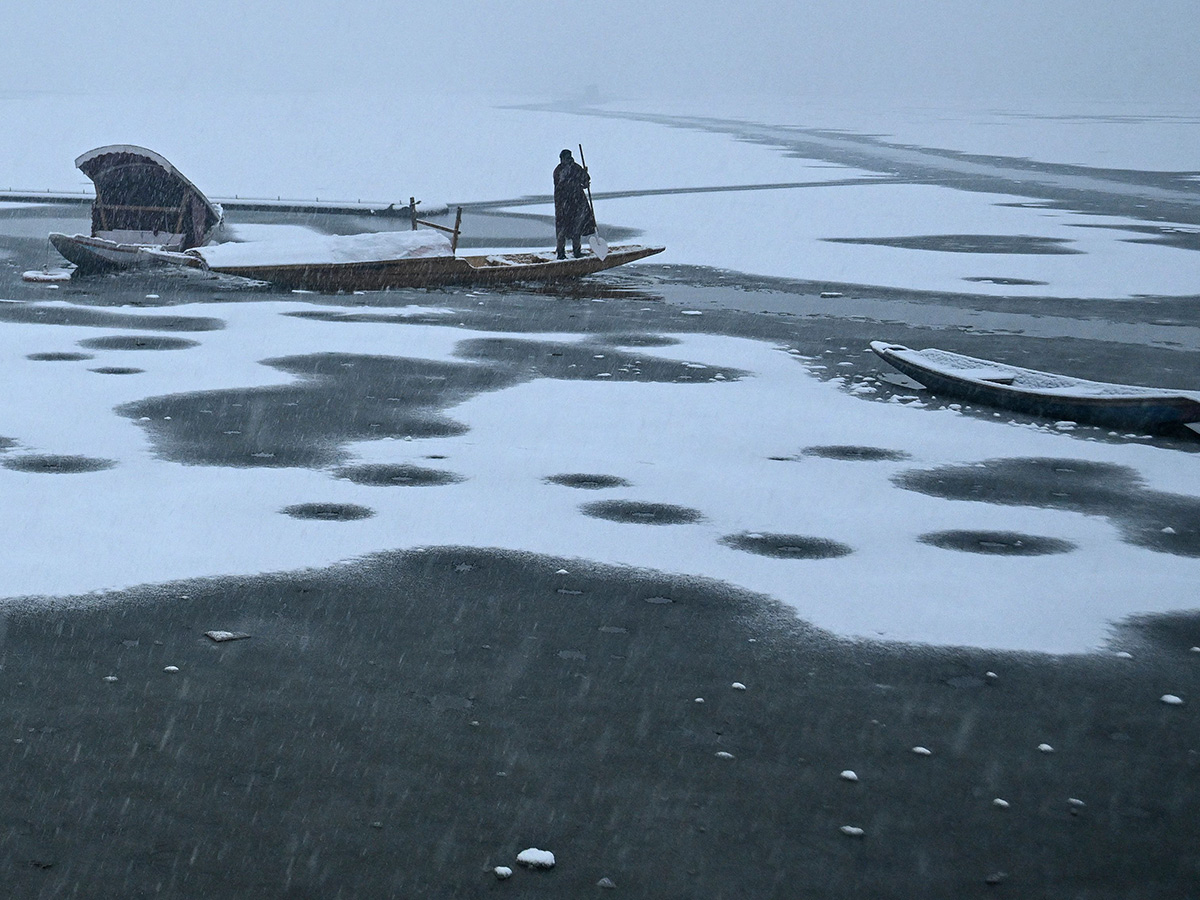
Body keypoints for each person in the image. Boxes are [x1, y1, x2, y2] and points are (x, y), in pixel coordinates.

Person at [553, 149, 595, 259]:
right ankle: (575, 252)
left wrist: (584, 175)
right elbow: (585, 183)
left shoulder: (558, 170)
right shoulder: (574, 168)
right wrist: (584, 174)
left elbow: (583, 183)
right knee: (575, 227)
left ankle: (561, 253)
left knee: (565, 228)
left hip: (565, 204)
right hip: (573, 202)